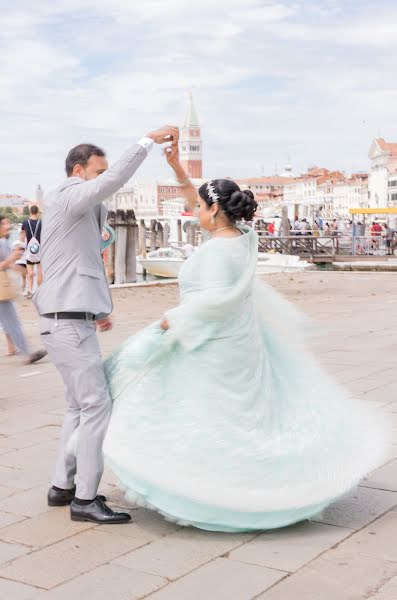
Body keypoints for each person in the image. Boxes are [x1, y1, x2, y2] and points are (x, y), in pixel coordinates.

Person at [102, 145, 388, 532]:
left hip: (214, 344)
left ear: (214, 211)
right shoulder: (244, 237)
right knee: (241, 417)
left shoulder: (219, 251)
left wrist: (173, 320)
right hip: (242, 341)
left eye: (200, 208)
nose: (194, 212)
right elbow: (201, 204)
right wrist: (178, 170)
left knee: (210, 416)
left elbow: (216, 300)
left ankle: (220, 493)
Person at [33, 125, 179, 525]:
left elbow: (78, 259)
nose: (104, 179)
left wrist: (97, 311)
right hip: (65, 322)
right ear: (79, 171)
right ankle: (85, 498)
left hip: (68, 318)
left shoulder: (78, 206)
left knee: (77, 406)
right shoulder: (67, 193)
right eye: (98, 172)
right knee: (97, 405)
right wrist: (147, 142)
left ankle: (62, 487)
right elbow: (113, 181)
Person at [0, 216, 47, 363]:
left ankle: (12, 348)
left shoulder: (3, 243)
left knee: (9, 319)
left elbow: (7, 264)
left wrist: (23, 270)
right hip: (2, 289)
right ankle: (27, 354)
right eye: (4, 224)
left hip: (5, 288)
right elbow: (3, 264)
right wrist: (12, 259)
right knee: (11, 320)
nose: (8, 227)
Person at [21, 205, 42, 299]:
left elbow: (22, 233)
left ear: (30, 212)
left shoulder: (25, 222)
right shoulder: (41, 223)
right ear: (37, 213)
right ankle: (40, 291)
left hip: (29, 250)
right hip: (39, 250)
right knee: (40, 271)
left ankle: (30, 290)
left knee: (30, 272)